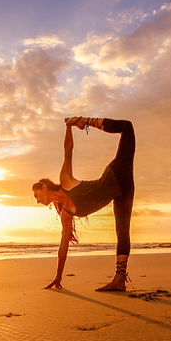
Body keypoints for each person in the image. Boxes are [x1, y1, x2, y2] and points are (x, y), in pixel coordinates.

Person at [32, 116, 135, 291]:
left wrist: (69, 126)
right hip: (121, 192)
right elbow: (63, 245)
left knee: (127, 127)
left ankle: (84, 121)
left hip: (116, 173)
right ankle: (119, 280)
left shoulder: (66, 181)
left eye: (37, 195)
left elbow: (68, 150)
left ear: (44, 188)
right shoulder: (66, 213)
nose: (37, 200)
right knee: (122, 231)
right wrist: (58, 276)